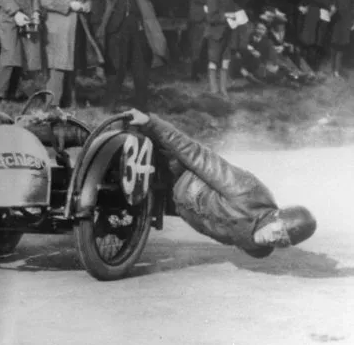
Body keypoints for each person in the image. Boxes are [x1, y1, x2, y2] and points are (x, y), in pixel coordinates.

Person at [127, 109, 317, 257]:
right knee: (124, 154)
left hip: (177, 202)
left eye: (281, 240)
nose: (273, 239)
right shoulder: (246, 192)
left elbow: (257, 248)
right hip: (176, 173)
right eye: (278, 231)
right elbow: (198, 155)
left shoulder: (257, 245)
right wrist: (152, 123)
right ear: (275, 216)